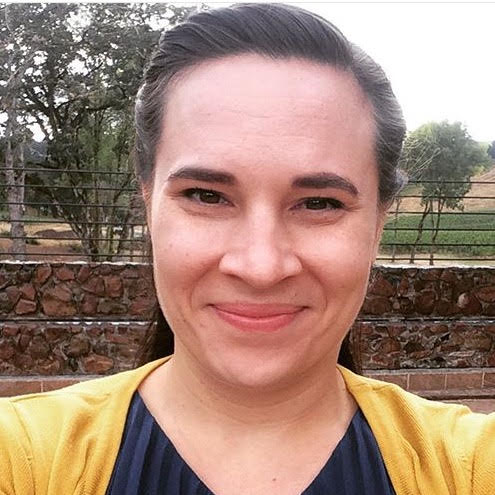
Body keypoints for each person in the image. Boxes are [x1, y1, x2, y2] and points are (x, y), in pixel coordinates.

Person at [1, 3, 494, 494]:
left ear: (380, 219)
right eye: (206, 196)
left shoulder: (469, 466)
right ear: (147, 199)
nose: (261, 266)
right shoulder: (24, 457)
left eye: (319, 203)